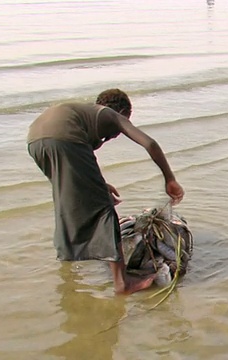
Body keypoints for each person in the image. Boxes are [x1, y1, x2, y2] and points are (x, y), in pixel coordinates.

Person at [27, 88, 185, 294]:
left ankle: (67, 259)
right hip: (65, 139)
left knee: (66, 202)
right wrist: (170, 178)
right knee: (104, 208)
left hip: (35, 140)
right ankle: (123, 282)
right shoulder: (110, 115)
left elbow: (76, 166)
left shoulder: (85, 115)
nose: (116, 135)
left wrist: (100, 185)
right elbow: (150, 143)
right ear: (121, 111)